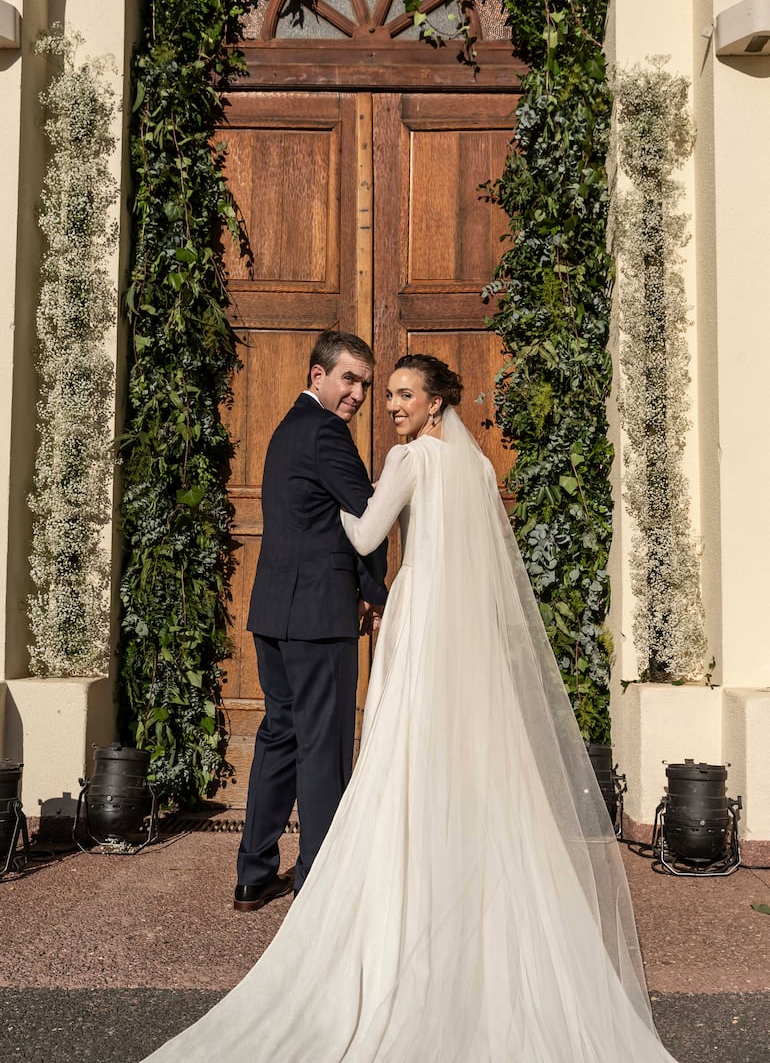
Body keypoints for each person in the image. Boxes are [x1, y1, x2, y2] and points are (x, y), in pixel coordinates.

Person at [146, 354, 677, 1061]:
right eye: (385, 392)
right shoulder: (481, 467)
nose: (390, 404)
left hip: (421, 619)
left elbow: (366, 534)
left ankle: (390, 884)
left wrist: (323, 493)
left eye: (402, 394)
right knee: (473, 752)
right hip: (467, 628)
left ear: (434, 404)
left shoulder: (408, 459)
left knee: (402, 748)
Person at [234, 330, 388, 911]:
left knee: (280, 737)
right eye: (349, 379)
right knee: (323, 747)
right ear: (318, 375)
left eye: (364, 384)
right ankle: (318, 880)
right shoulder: (326, 431)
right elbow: (367, 514)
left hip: (274, 611)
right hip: (317, 615)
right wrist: (373, 591)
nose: (357, 393)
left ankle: (254, 872)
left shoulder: (286, 427)